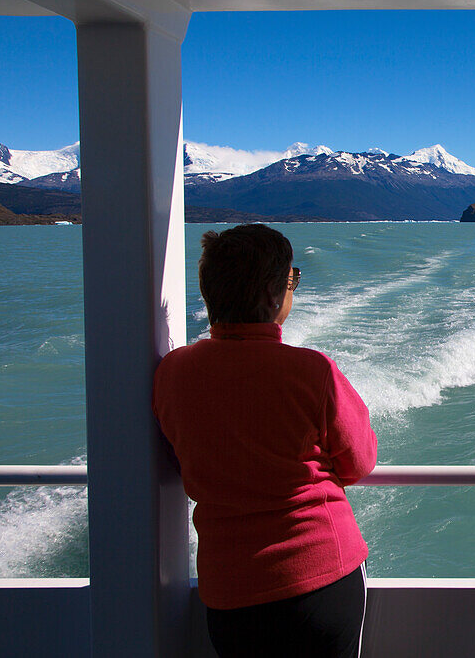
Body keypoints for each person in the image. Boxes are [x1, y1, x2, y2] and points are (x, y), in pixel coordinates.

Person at [153, 224, 377, 658]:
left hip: (230, 591)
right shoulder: (312, 371)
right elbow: (359, 462)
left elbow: (184, 457)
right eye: (292, 279)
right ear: (275, 293)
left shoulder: (172, 373)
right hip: (321, 578)